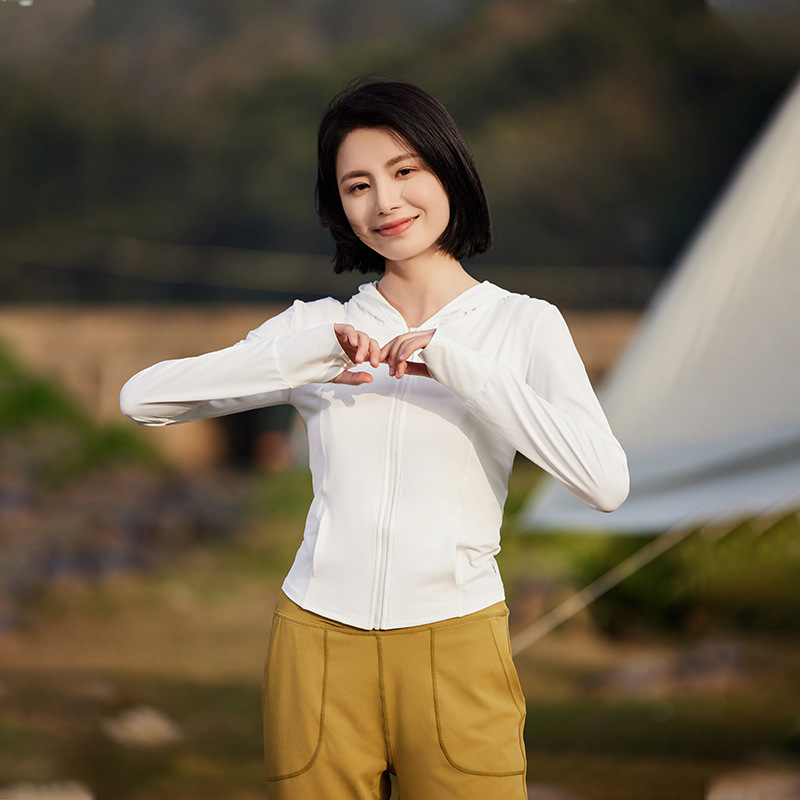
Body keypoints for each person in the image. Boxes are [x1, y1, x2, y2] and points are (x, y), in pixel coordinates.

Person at [120, 79, 629, 800]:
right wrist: (309, 357)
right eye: (357, 185)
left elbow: (604, 482)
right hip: (316, 644)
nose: (385, 202)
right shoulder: (314, 327)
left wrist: (457, 366)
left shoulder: (524, 324)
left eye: (404, 170)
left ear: (448, 170)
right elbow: (142, 399)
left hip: (457, 640)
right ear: (340, 208)